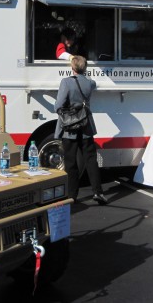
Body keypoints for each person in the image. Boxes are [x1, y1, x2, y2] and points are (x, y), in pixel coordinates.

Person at [54, 55, 107, 204]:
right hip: (86, 126)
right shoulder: (89, 83)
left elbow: (57, 106)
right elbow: (93, 83)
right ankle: (98, 192)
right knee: (91, 159)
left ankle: (72, 195)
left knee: (71, 162)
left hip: (69, 128)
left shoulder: (66, 82)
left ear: (72, 68)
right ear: (85, 68)